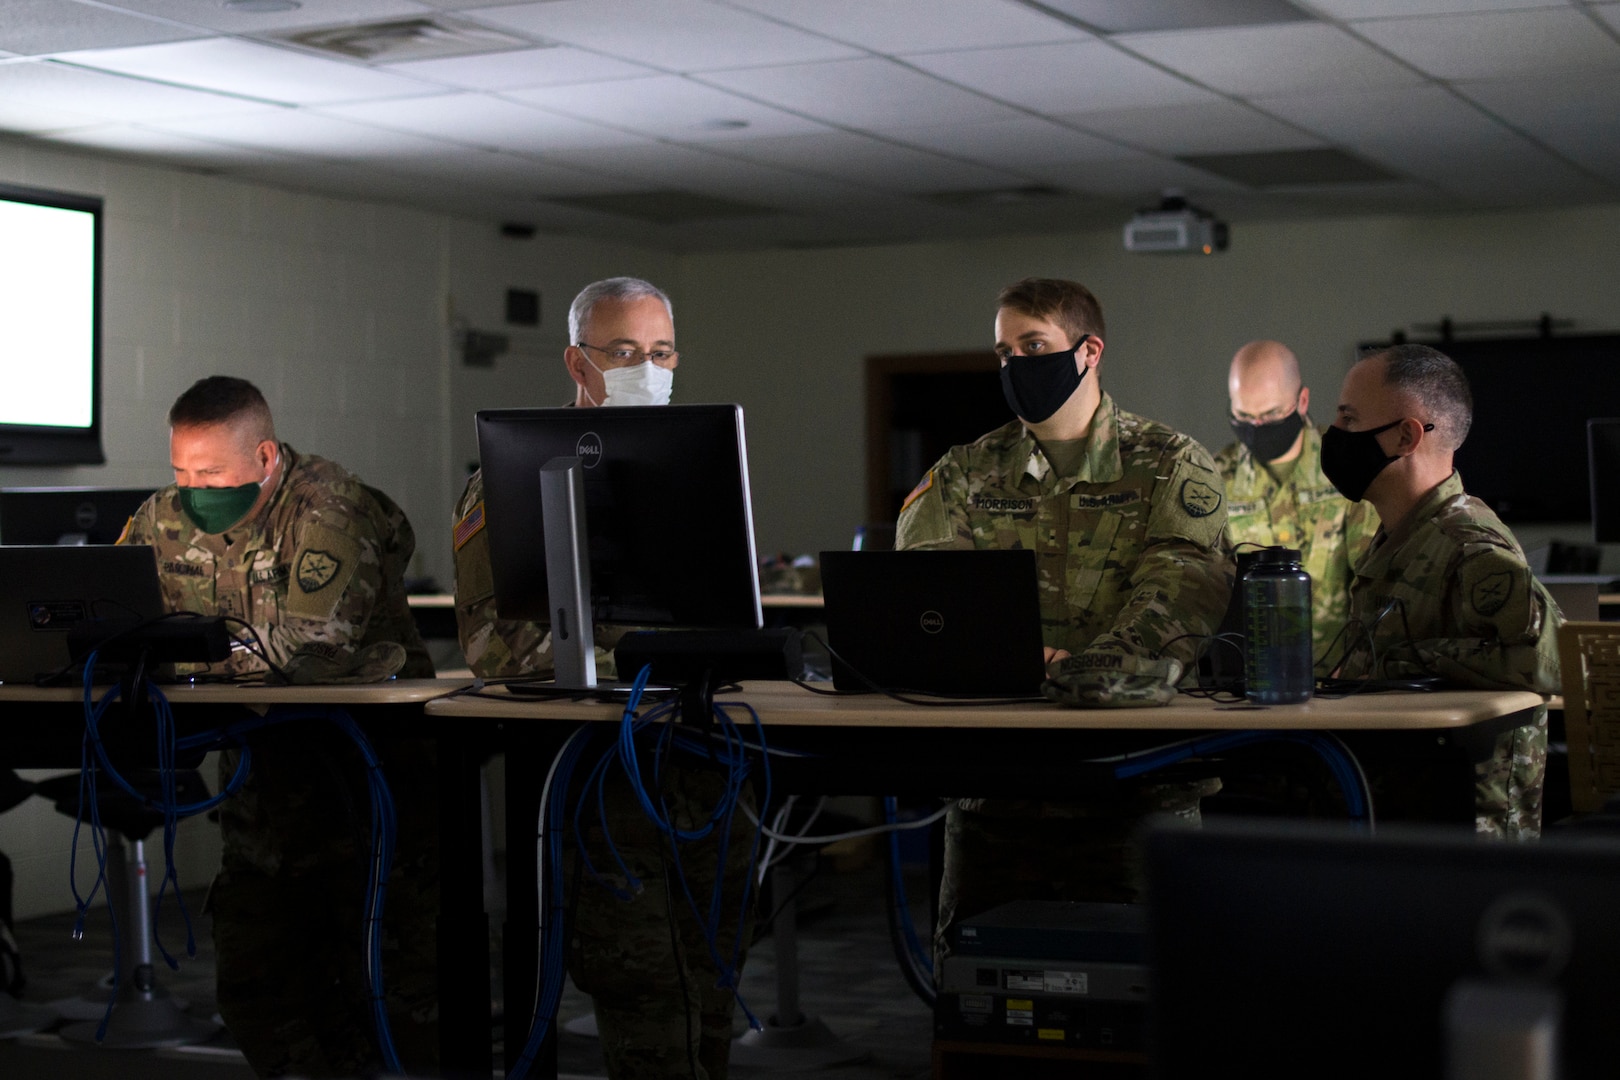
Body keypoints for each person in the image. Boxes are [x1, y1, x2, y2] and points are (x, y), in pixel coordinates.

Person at [453, 277, 756, 1080]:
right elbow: (496, 647)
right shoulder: (515, 473)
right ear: (578, 363)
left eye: (660, 353)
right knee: (641, 989)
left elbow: (734, 617)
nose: (646, 369)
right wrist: (635, 653)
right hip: (603, 775)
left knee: (714, 976)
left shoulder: (702, 465)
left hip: (706, 762)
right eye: (624, 352)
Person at [895, 277, 1234, 961]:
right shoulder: (964, 474)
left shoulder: (1168, 464)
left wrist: (1071, 670)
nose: (1016, 364)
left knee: (1149, 1004)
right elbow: (922, 605)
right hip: (998, 796)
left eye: (1034, 345)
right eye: (1003, 351)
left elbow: (1178, 601)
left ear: (1089, 351)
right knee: (981, 994)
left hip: (1134, 793)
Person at [121, 375, 438, 1077]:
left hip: (369, 791)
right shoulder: (163, 517)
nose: (192, 489)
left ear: (264, 456)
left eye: (210, 472)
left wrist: (184, 660)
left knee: (384, 996)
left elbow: (308, 649)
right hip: (263, 789)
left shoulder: (328, 508)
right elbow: (113, 616)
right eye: (180, 470)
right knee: (256, 990)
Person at [1324, 344, 1560, 838]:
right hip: (1406, 817)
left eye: (1348, 419)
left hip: (1467, 843)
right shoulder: (1400, 536)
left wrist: (1404, 661)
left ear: (1405, 436)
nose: (1335, 435)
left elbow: (1550, 659)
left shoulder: (1468, 546)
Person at [1215, 340, 1379, 664]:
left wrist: (1357, 664)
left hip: (1338, 677)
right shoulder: (1216, 478)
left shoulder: (1344, 466)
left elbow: (1373, 577)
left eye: (1272, 414)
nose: (1257, 427)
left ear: (1302, 401)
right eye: (1244, 416)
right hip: (1250, 680)